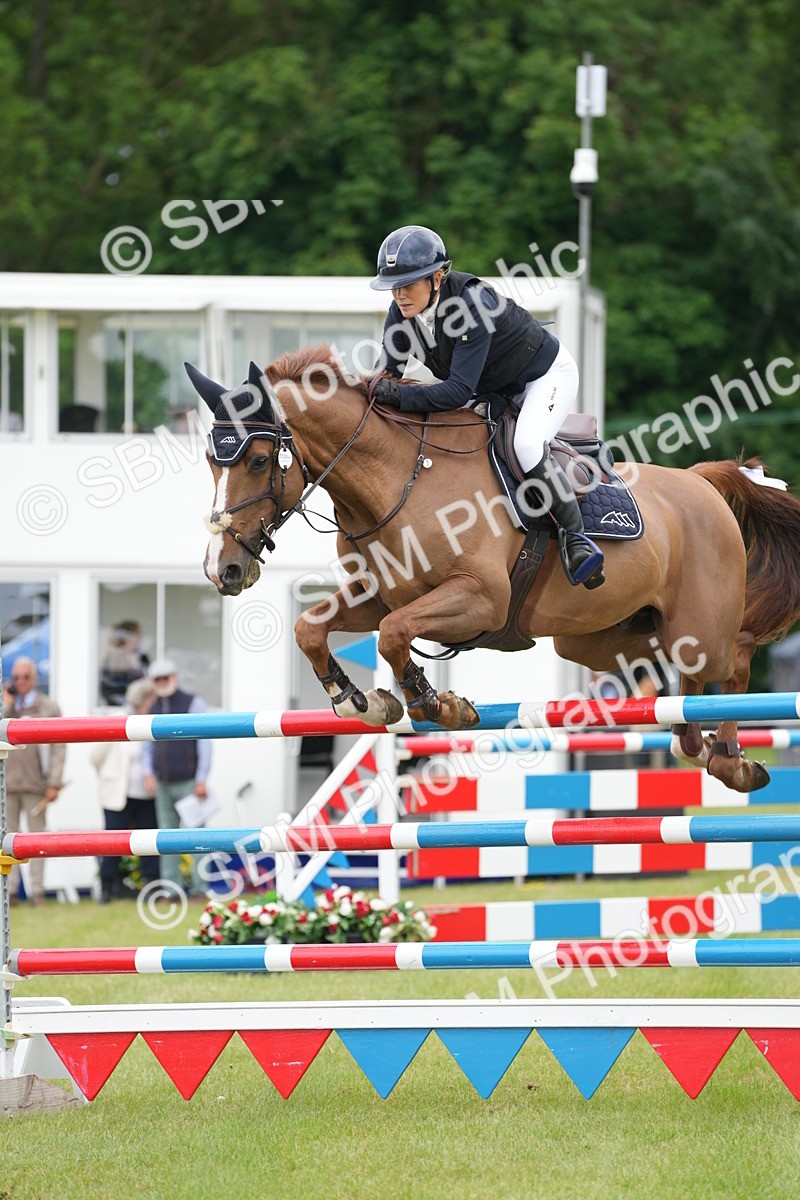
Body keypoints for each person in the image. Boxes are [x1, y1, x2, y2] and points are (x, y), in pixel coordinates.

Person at [369, 224, 604, 589]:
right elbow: (387, 378)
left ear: (437, 277)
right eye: (393, 286)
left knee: (526, 446)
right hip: (493, 389)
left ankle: (577, 539)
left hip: (543, 378)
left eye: (408, 284)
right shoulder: (400, 315)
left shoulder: (472, 304)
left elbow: (457, 392)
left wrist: (396, 395)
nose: (399, 295)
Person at [141, 658, 212, 894]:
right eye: (157, 679)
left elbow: (205, 742)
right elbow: (147, 744)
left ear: (175, 677)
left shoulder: (194, 702)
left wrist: (201, 779)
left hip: (190, 782)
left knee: (198, 837)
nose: (162, 682)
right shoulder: (152, 707)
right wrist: (148, 773)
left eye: (165, 677)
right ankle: (171, 890)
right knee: (166, 839)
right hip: (163, 782)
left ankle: (200, 888)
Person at [2, 657, 66, 906]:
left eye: (25, 677)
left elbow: (60, 748)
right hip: (7, 785)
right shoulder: (6, 706)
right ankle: (10, 892)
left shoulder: (48, 707)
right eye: (16, 678)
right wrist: (6, 707)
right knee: (6, 840)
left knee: (38, 840)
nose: (20, 682)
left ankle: (38, 892)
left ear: (34, 678)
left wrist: (54, 782)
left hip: (36, 784)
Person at [90, 677, 159, 902]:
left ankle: (151, 889)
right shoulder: (117, 720)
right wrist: (110, 776)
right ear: (143, 700)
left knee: (149, 844)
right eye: (152, 699)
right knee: (113, 843)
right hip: (117, 794)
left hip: (147, 795)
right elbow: (96, 756)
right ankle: (106, 888)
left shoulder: (156, 722)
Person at [99, 619, 149, 707]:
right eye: (135, 635)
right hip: (115, 706)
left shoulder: (142, 657)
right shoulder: (112, 656)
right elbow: (106, 682)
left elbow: (147, 679)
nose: (139, 639)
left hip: (138, 705)